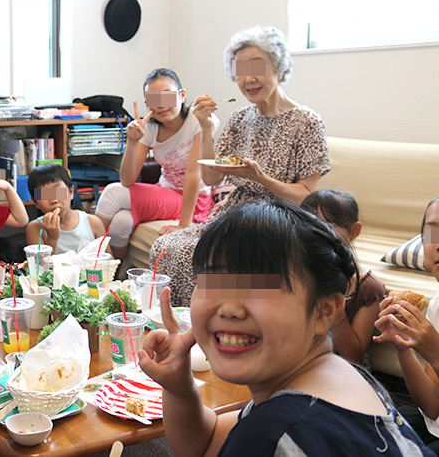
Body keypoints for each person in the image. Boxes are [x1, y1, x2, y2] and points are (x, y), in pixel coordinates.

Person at [138, 200, 433, 456]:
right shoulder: (339, 378)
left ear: (325, 311)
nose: (229, 308)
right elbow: (205, 444)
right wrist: (179, 389)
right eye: (213, 282)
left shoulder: (272, 435)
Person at [151, 26, 330, 306]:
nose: (248, 79)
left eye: (256, 67)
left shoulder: (307, 122)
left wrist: (261, 178)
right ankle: (183, 331)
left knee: (199, 257)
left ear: (280, 68)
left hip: (279, 221)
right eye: (240, 70)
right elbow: (211, 177)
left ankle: (210, 332)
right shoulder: (239, 119)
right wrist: (206, 129)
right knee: (165, 247)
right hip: (234, 214)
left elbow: (307, 196)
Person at [94, 68, 218, 261]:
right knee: (120, 222)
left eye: (166, 97)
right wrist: (133, 142)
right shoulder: (149, 127)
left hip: (195, 201)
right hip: (166, 192)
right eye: (153, 99)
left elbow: (194, 173)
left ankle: (87, 256)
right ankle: (115, 276)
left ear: (182, 95)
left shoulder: (197, 120)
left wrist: (184, 225)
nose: (161, 106)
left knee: (112, 193)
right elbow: (127, 180)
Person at [374, 197, 439, 453]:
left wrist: (435, 353)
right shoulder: (436, 306)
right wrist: (403, 348)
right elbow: (432, 407)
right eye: (432, 232)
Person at [300, 189, 386, 365]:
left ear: (355, 231)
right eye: (310, 222)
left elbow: (352, 354)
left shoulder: (368, 287)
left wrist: (331, 288)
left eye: (331, 224)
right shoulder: (290, 273)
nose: (319, 231)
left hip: (340, 370)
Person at [26, 163, 107, 254]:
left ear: (71, 192)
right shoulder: (35, 228)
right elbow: (40, 267)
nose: (54, 200)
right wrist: (52, 238)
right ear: (35, 202)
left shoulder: (93, 222)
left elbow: (110, 259)